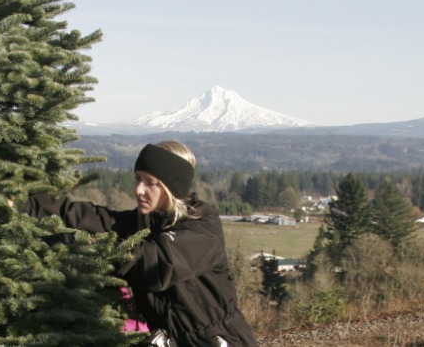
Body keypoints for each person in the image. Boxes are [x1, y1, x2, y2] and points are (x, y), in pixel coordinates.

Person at [22, 141, 257, 347]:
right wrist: (27, 201)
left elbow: (157, 265)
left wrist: (86, 247)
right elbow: (90, 216)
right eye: (137, 179)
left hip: (214, 340)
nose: (139, 190)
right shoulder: (143, 222)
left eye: (150, 182)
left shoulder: (202, 225)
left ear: (171, 187)